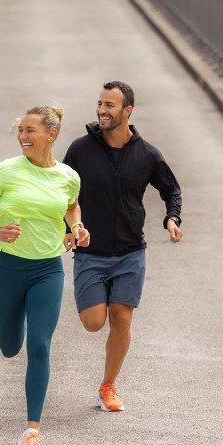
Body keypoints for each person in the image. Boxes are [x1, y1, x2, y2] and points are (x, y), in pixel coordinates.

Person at [0, 106, 89, 445]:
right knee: (10, 347)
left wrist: (77, 229)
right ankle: (17, 319)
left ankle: (31, 434)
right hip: (7, 267)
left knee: (40, 344)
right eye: (21, 129)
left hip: (47, 270)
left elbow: (71, 208)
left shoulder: (68, 176)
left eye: (31, 130)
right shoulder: (6, 170)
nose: (24, 135)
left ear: (51, 135)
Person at [63, 81, 183, 413]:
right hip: (90, 251)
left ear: (127, 111)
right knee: (93, 322)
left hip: (131, 251)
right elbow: (62, 193)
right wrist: (67, 229)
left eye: (109, 106)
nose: (101, 110)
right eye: (99, 104)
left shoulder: (147, 155)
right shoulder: (80, 149)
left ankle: (108, 386)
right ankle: (106, 381)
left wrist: (172, 219)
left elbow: (171, 191)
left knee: (121, 317)